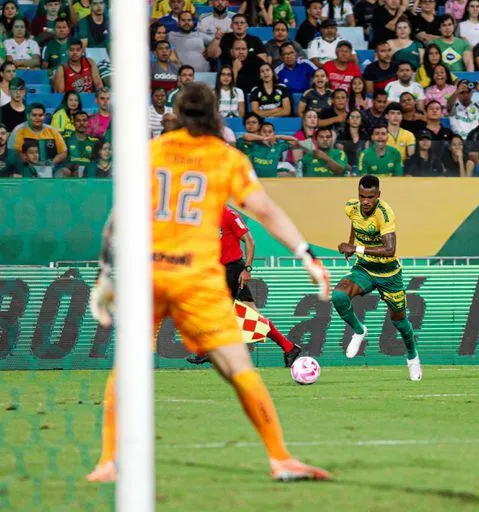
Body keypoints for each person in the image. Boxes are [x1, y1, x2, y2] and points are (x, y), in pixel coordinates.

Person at [86, 82, 332, 484]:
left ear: (177, 114)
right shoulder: (226, 157)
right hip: (197, 280)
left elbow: (119, 217)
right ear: (216, 114)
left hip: (149, 274)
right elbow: (266, 212)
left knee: (129, 367)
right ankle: (280, 458)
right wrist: (307, 255)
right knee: (238, 369)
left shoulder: (152, 152)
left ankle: (108, 462)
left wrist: (105, 274)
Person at [333, 174, 420, 380]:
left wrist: (355, 247)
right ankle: (359, 330)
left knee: (399, 321)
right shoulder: (351, 207)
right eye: (362, 196)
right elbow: (355, 224)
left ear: (378, 195)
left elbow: (390, 250)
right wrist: (350, 243)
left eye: (370, 197)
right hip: (364, 269)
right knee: (338, 296)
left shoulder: (385, 214)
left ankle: (412, 357)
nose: (365, 202)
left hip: (389, 274)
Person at [10, 102, 68, 168]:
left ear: (44, 116)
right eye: (34, 115)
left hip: (50, 168)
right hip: (26, 168)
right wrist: (30, 164)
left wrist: (51, 163)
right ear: (28, 116)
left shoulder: (53, 131)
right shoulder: (19, 130)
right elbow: (16, 152)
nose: (37, 118)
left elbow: (63, 152)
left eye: (40, 115)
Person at [59, 110, 99, 176]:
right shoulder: (65, 139)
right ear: (73, 123)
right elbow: (61, 161)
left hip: (89, 176)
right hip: (70, 175)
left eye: (84, 120)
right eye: (78, 121)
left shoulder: (95, 141)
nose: (82, 123)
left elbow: (96, 162)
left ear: (88, 122)